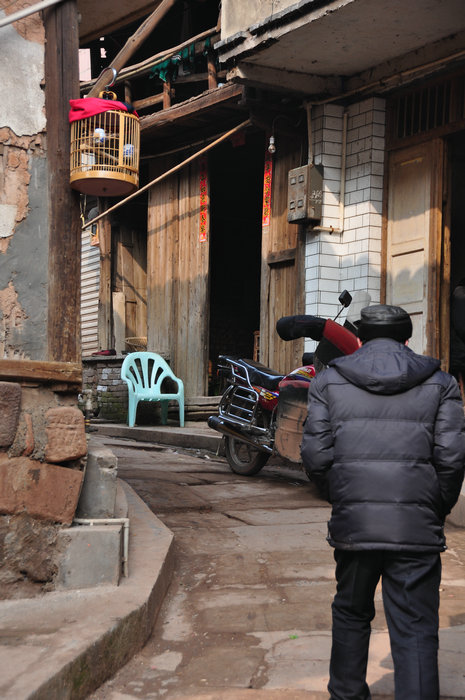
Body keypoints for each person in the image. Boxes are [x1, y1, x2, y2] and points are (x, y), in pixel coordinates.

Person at [301, 304, 465, 700]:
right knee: (415, 626)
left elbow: (316, 458)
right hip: (416, 529)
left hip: (355, 526)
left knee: (351, 613)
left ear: (359, 339)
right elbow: (451, 460)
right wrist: (434, 508)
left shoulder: (328, 381)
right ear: (408, 340)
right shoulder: (442, 383)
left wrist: (345, 496)